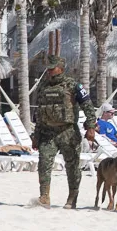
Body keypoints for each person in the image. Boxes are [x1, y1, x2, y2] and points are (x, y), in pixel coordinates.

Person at [31, 54, 96, 209]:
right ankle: (44, 196)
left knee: (72, 166)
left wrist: (91, 126)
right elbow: (40, 113)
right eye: (48, 69)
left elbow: (88, 106)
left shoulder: (74, 86)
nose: (49, 71)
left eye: (52, 69)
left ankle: (72, 197)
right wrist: (36, 136)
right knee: (44, 164)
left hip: (68, 132)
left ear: (61, 68)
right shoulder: (43, 86)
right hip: (48, 133)